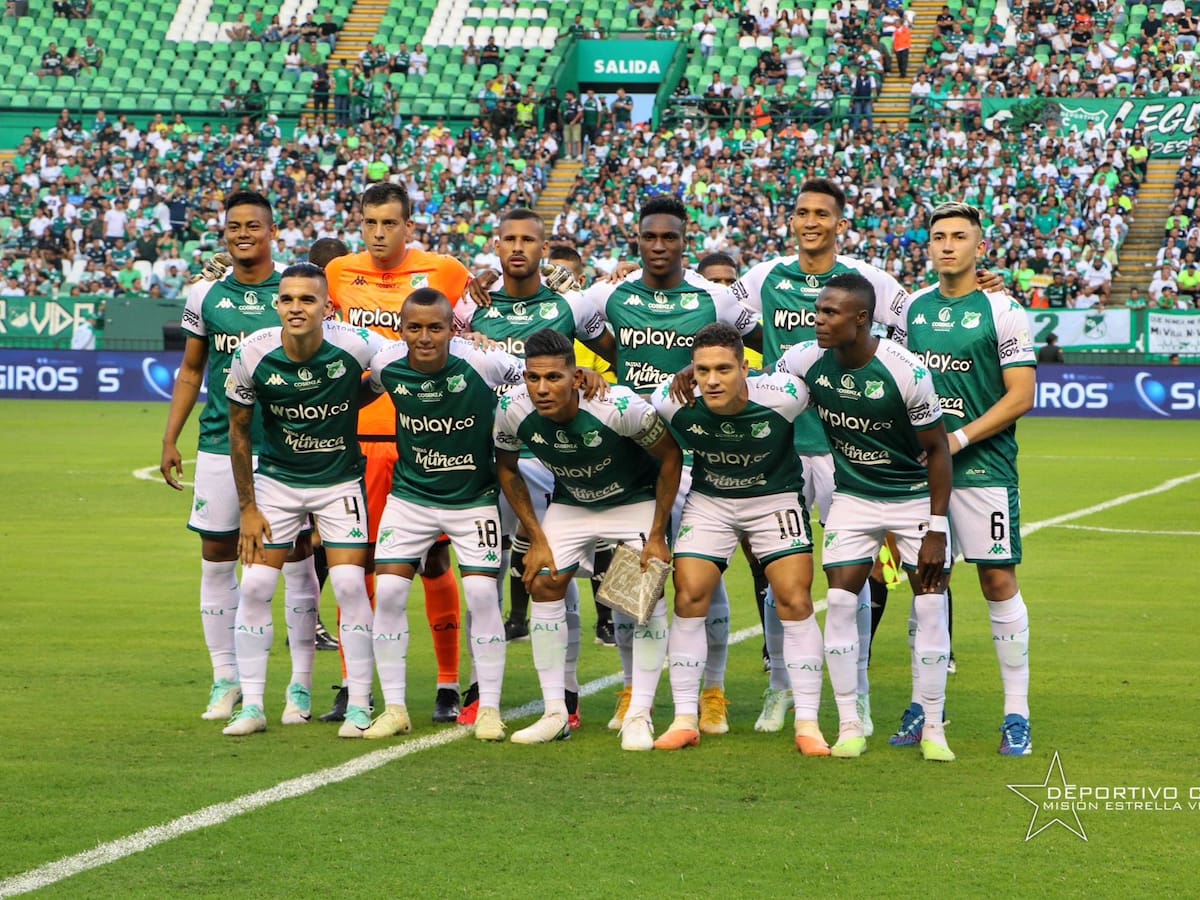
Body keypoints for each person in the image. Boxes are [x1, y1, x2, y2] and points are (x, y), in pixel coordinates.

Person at [728, 178, 908, 737]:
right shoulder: (764, 277)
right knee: (774, 573)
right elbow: (720, 319)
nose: (811, 222)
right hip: (778, 441)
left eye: (822, 214)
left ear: (840, 223)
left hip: (842, 446)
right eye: (802, 212)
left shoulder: (867, 280)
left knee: (851, 576)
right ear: (792, 220)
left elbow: (913, 319)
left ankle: (860, 690)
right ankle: (779, 687)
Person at [581, 195, 760, 736]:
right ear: (637, 239)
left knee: (702, 575)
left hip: (700, 451)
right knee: (630, 577)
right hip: (638, 452)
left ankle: (713, 692)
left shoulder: (716, 297)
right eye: (650, 237)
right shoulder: (610, 294)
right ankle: (634, 688)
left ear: (687, 241)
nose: (659, 247)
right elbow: (561, 317)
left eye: (670, 238)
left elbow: (761, 343)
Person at [778, 273, 955, 761]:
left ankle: (934, 727)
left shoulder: (905, 370)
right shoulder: (804, 359)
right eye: (818, 310)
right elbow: (760, 390)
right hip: (853, 497)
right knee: (838, 603)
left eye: (831, 313)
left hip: (913, 498)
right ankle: (851, 723)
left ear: (861, 319)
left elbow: (938, 450)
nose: (819, 320)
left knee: (929, 608)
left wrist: (938, 527)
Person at [160, 191, 321, 724]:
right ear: (224, 233)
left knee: (295, 560)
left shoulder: (298, 290)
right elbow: (190, 370)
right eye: (234, 226)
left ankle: (299, 686)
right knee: (217, 557)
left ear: (273, 231)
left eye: (254, 225)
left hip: (287, 443)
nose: (243, 233)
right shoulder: (205, 293)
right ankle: (224, 678)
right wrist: (170, 438)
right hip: (217, 442)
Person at [323, 182, 474, 724]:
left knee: (434, 560)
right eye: (370, 223)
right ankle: (350, 681)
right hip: (357, 441)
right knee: (355, 564)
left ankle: (448, 683)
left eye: (390, 223)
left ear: (410, 226)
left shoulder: (447, 272)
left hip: (426, 436)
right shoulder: (339, 273)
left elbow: (488, 318)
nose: (379, 233)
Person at [495, 329, 683, 748]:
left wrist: (656, 534)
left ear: (576, 377)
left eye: (554, 378)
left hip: (633, 500)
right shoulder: (511, 408)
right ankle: (555, 713)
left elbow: (672, 456)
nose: (542, 388)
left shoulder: (618, 406)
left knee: (641, 598)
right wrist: (538, 537)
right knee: (543, 582)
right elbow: (507, 468)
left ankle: (639, 715)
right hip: (573, 503)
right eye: (533, 378)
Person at [895, 201, 1036, 757]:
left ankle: (1016, 714)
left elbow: (1021, 396)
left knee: (997, 582)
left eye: (959, 236)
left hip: (984, 470)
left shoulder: (1003, 309)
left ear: (980, 246)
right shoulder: (910, 311)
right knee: (927, 585)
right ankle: (924, 705)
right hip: (920, 473)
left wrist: (957, 439)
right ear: (927, 247)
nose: (948, 245)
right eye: (938, 237)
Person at [221, 263, 385, 737]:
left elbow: (403, 357)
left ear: (327, 307)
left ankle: (358, 704)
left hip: (338, 483)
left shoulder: (356, 345)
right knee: (253, 587)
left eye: (307, 299)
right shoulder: (253, 353)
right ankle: (252, 705)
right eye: (288, 299)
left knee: (352, 585)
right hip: (276, 482)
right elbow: (238, 430)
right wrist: (248, 508)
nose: (297, 307)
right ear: (278, 304)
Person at [651, 324, 829, 756]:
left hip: (774, 498)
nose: (712, 380)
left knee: (794, 598)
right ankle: (684, 719)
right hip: (711, 499)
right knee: (689, 594)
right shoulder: (671, 401)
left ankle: (808, 722)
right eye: (702, 370)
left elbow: (825, 372)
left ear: (745, 368)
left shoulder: (785, 394)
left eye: (724, 369)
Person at [362, 288, 525, 741]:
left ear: (453, 329)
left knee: (481, 597)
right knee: (390, 593)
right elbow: (361, 389)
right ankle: (395, 707)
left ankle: (488, 708)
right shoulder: (386, 363)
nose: (425, 336)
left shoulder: (483, 362)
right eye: (415, 327)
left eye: (435, 327)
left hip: (473, 499)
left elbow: (532, 379)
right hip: (411, 498)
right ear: (401, 329)